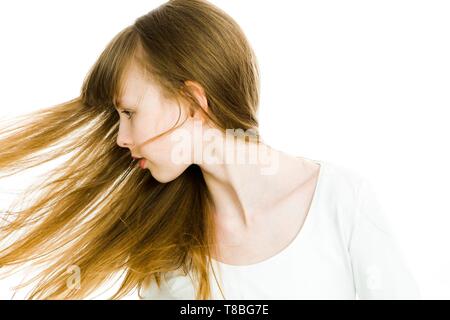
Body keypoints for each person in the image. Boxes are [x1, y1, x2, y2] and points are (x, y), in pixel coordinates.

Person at [0, 0, 419, 300]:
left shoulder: (342, 202)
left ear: (194, 102)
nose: (121, 138)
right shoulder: (162, 246)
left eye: (129, 112)